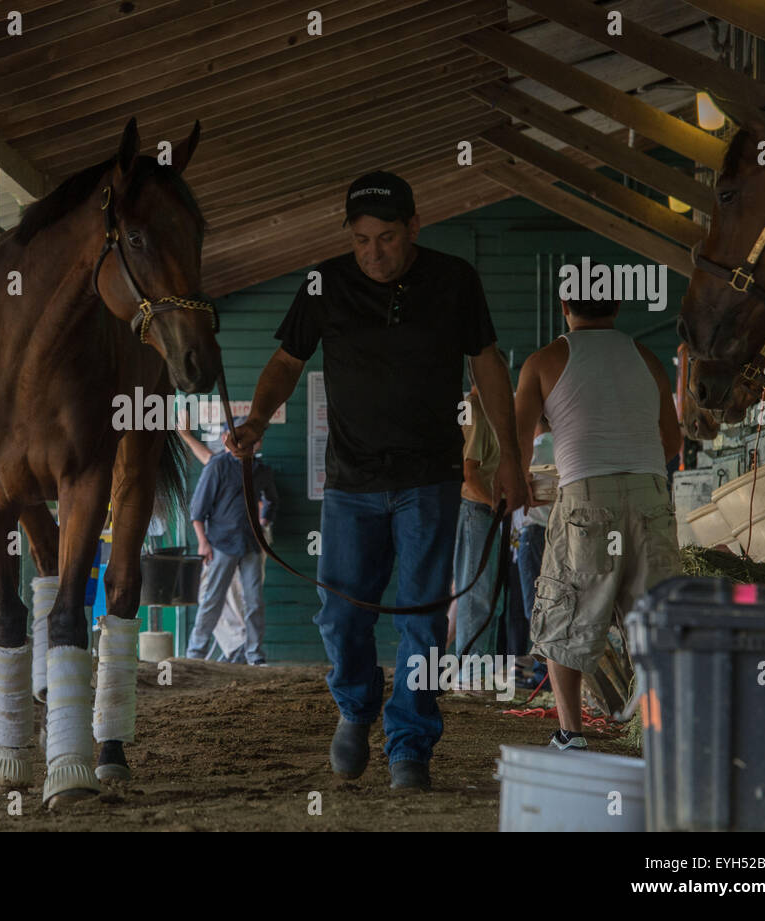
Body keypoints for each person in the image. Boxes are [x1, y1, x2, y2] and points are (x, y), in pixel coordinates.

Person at [228, 170, 526, 790]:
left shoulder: (455, 281)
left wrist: (511, 459)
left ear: (414, 226)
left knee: (421, 619)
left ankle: (410, 743)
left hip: (430, 478)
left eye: (386, 238)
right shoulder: (323, 283)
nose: (373, 254)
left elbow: (488, 364)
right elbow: (287, 360)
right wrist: (256, 419)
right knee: (340, 615)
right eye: (361, 240)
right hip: (350, 483)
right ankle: (356, 707)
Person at [513, 292, 681, 751]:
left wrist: (517, 484)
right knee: (656, 616)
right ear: (617, 307)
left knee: (565, 614)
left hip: (586, 499)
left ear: (564, 304)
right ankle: (660, 736)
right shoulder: (646, 358)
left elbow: (516, 445)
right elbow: (671, 440)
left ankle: (571, 736)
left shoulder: (543, 361)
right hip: (650, 494)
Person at [186, 415, 278, 666]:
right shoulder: (217, 466)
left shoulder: (261, 471)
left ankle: (255, 656)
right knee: (212, 601)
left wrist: (263, 524)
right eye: (238, 438)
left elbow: (271, 502)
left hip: (250, 546)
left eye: (252, 439)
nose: (246, 443)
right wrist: (203, 542)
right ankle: (195, 655)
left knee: (254, 602)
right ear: (227, 439)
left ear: (257, 442)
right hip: (220, 545)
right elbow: (198, 510)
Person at [453, 382, 502, 668]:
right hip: (477, 508)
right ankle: (470, 670)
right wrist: (494, 504)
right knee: (477, 592)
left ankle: (479, 667)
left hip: (483, 509)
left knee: (488, 593)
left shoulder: (481, 410)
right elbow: (468, 471)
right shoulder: (473, 410)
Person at [514, 418, 554, 690]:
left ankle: (543, 672)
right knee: (551, 602)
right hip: (555, 535)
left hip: (533, 533)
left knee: (534, 604)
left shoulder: (536, 451)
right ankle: (550, 669)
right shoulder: (562, 448)